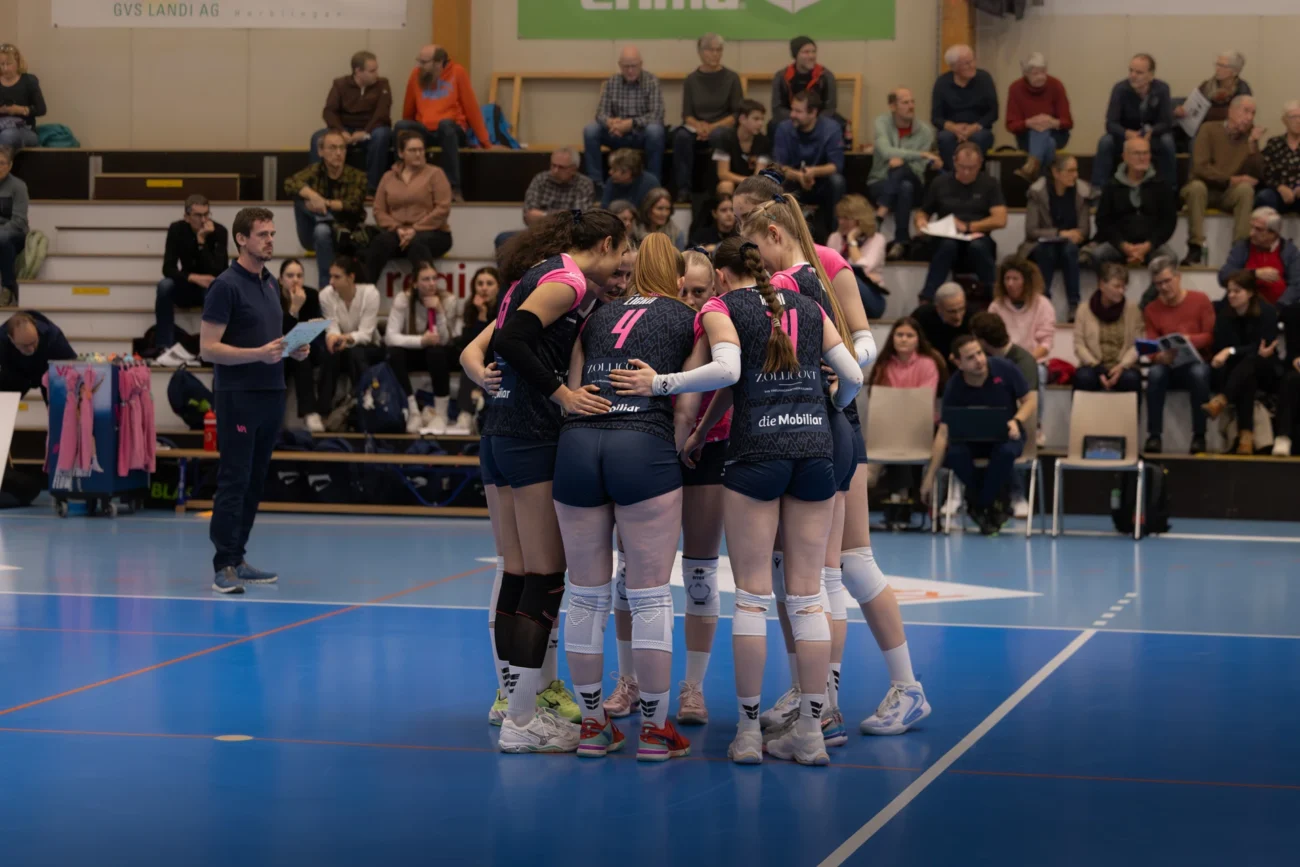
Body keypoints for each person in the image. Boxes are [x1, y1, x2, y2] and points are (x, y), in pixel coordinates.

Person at [733, 174, 928, 742]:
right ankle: (820, 694)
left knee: (828, 572)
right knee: (830, 570)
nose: (741, 241)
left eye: (746, 226)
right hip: (821, 421)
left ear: (772, 224)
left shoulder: (811, 270)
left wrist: (842, 381)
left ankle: (829, 701)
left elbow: (862, 340)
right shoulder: (802, 271)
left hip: (817, 424)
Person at [653, 236, 861, 765]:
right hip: (813, 449)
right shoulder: (809, 306)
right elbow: (855, 374)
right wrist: (831, 403)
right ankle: (811, 733)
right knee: (807, 598)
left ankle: (747, 734)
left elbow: (726, 372)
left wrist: (662, 386)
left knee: (751, 598)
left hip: (756, 452)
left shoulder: (723, 307)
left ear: (721, 275)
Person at [553, 233, 699, 761]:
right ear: (677, 277)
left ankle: (593, 726)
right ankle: (656, 731)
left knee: (584, 594)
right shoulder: (689, 317)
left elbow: (574, 392)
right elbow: (687, 407)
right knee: (650, 593)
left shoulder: (597, 314)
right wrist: (671, 451)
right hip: (642, 444)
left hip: (577, 446)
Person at [486, 209, 628, 753]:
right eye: (622, 252)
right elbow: (511, 340)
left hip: (502, 431)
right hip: (530, 434)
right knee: (545, 579)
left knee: (520, 575)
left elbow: (496, 341)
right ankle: (523, 722)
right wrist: (563, 394)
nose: (622, 263)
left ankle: (514, 707)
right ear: (607, 243)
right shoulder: (568, 281)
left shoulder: (542, 272)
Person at [199, 207, 309, 594]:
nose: (270, 240)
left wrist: (293, 349)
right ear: (241, 239)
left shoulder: (270, 283)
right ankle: (223, 564)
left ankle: (238, 557)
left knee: (255, 480)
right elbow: (208, 349)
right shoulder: (225, 286)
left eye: (272, 234)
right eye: (262, 234)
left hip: (271, 393)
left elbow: (269, 342)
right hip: (239, 396)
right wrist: (257, 354)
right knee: (235, 478)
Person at [667, 247, 734, 725]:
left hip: (711, 448)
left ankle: (693, 688)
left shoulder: (721, 325)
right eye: (683, 291)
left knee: (700, 572)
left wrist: (697, 432)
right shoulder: (661, 323)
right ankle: (630, 681)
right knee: (634, 575)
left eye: (699, 291)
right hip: (656, 448)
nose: (690, 300)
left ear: (715, 290)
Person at [921, 335, 1034, 535]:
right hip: (970, 441)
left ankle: (978, 504)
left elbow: (1030, 400)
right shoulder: (954, 386)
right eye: (970, 357)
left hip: (1006, 435)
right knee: (954, 454)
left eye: (980, 353)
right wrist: (929, 476)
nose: (979, 360)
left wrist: (1017, 420)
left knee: (1006, 452)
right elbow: (944, 432)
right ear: (958, 362)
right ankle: (989, 504)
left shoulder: (1004, 368)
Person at [395, 45, 495, 202]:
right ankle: (400, 182)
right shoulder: (416, 75)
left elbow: (471, 108)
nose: (419, 66)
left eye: (424, 62)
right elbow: (408, 110)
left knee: (445, 125)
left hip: (452, 130)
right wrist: (408, 132)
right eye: (419, 61)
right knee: (401, 126)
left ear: (439, 63)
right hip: (426, 130)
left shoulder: (457, 72)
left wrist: (486, 143)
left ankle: (453, 187)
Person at [916, 141, 1007, 301]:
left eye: (972, 168)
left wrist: (969, 227)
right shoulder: (940, 183)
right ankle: (928, 296)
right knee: (947, 246)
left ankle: (994, 296)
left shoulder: (989, 184)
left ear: (980, 164)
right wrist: (921, 222)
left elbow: (1000, 219)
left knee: (978, 247)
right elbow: (924, 212)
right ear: (954, 162)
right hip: (946, 237)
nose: (966, 172)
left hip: (977, 236)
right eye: (962, 167)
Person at [1143, 257, 1215, 454]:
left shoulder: (1200, 300)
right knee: (1155, 373)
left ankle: (1199, 435)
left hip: (1197, 362)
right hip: (1170, 365)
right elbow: (1151, 344)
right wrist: (1158, 356)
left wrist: (1189, 340)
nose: (1164, 287)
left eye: (1167, 281)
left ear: (1178, 277)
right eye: (1158, 284)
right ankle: (1154, 436)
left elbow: (1210, 336)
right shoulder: (1151, 309)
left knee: (1198, 373)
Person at [1181, 95, 1264, 266]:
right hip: (1204, 189)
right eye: (1245, 111)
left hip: (1227, 194)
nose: (1249, 117)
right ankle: (1196, 246)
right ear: (1231, 111)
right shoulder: (1209, 129)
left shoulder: (1249, 137)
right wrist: (1229, 179)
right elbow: (1200, 167)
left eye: (1253, 113)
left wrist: (1253, 145)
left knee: (1245, 190)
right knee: (1196, 188)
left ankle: (1240, 250)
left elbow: (1257, 175)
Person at [1203, 270, 1279, 455]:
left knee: (1252, 361)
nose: (1231, 295)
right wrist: (1230, 352)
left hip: (1266, 369)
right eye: (1229, 291)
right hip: (1238, 371)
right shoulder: (1224, 315)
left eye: (1237, 291)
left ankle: (1222, 399)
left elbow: (1264, 348)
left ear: (1250, 292)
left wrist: (1231, 351)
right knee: (1247, 376)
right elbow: (1220, 346)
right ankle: (1246, 439)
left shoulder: (1267, 312)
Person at [283, 128, 368, 288]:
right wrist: (312, 195)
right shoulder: (315, 171)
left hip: (346, 233)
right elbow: (289, 183)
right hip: (311, 235)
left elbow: (352, 204)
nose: (338, 153)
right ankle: (325, 219)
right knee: (300, 197)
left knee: (321, 230)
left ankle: (326, 287)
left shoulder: (357, 176)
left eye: (342, 148)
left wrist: (324, 203)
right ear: (320, 151)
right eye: (332, 148)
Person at [385, 261, 462, 434]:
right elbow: (390, 337)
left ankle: (441, 414)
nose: (432, 283)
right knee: (393, 353)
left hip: (437, 353)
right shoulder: (403, 299)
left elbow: (445, 340)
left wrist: (439, 311)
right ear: (415, 283)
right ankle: (412, 411)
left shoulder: (448, 299)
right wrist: (421, 341)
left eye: (434, 278)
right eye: (426, 279)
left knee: (437, 351)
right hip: (414, 351)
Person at [367, 130, 453, 283]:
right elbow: (378, 210)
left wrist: (415, 229)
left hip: (433, 232)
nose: (418, 154)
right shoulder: (388, 177)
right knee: (380, 242)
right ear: (401, 153)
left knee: (417, 243)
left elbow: (443, 209)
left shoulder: (435, 174)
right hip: (398, 232)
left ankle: (429, 290)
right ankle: (365, 290)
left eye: (421, 150)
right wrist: (397, 228)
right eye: (413, 150)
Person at [869, 87, 941, 260]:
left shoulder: (925, 131)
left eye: (912, 102)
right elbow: (886, 152)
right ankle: (901, 240)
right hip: (880, 181)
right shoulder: (882, 122)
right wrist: (922, 154)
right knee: (904, 187)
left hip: (915, 181)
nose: (911, 106)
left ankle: (881, 213)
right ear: (893, 106)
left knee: (903, 173)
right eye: (905, 102)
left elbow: (918, 168)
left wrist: (903, 160)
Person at [1019, 154, 1090, 319]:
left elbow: (1085, 229)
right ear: (1056, 173)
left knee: (1070, 250)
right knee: (1047, 251)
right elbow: (1031, 231)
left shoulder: (1082, 192)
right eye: (1070, 171)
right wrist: (1060, 234)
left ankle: (1074, 304)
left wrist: (1077, 235)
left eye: (1076, 170)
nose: (1075, 175)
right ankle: (1043, 302)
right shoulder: (1037, 192)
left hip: (1070, 246)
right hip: (1042, 245)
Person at [673, 33, 743, 203]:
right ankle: (683, 189)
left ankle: (717, 188)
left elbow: (736, 114)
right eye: (710, 50)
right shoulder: (691, 79)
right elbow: (687, 114)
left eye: (719, 50)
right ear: (700, 52)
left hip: (722, 126)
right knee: (681, 136)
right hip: (697, 127)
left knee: (720, 135)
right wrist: (699, 127)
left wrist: (711, 128)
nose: (715, 54)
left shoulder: (732, 78)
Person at [312, 50, 393, 193]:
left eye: (376, 69)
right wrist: (341, 131)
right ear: (358, 71)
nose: (376, 74)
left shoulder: (382, 84)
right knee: (318, 137)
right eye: (372, 71)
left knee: (382, 135)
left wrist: (365, 132)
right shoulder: (340, 84)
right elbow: (329, 111)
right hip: (345, 128)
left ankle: (372, 188)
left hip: (372, 129)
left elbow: (382, 113)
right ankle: (318, 185)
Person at [1092, 54, 1176, 191]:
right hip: (1126, 136)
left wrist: (1152, 132)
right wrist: (1127, 133)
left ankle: (1171, 189)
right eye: (1131, 71)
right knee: (1105, 142)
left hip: (1152, 136)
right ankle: (1097, 190)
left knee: (1167, 141)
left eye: (1139, 72)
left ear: (1151, 75)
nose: (1133, 75)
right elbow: (1111, 123)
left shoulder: (1162, 89)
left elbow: (1166, 122)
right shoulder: (1120, 89)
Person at [1091, 135, 1178, 268]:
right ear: (1125, 156)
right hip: (1119, 245)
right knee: (1098, 255)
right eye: (1137, 153)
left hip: (1151, 246)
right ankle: (1114, 281)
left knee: (1170, 258)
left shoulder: (1161, 185)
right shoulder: (1111, 186)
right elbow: (1103, 221)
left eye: (1145, 153)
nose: (1142, 158)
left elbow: (1168, 222)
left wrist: (1148, 245)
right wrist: (1123, 245)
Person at [156, 195, 229, 353]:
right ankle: (164, 346)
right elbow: (168, 268)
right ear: (187, 217)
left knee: (214, 290)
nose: (203, 220)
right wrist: (193, 277)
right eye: (198, 215)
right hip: (187, 284)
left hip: (209, 287)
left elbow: (219, 270)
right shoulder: (177, 229)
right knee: (164, 286)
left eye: (206, 214)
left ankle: (210, 347)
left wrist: (201, 242)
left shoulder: (219, 231)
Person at [584, 47, 666, 187]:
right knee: (590, 131)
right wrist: (610, 122)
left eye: (634, 66)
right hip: (616, 134)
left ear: (641, 64)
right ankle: (596, 184)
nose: (630, 70)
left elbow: (657, 114)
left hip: (640, 134)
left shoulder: (652, 81)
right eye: (626, 66)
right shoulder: (612, 82)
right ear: (620, 65)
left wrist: (631, 124)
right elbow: (600, 114)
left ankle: (652, 184)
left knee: (655, 131)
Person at [772, 91, 846, 240]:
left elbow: (836, 165)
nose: (792, 114)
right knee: (775, 180)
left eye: (798, 111)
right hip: (793, 180)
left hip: (821, 181)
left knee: (837, 181)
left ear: (813, 113)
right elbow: (779, 166)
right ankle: (780, 235)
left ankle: (835, 236)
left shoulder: (831, 129)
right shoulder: (784, 128)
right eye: (792, 109)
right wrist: (800, 176)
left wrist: (813, 172)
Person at [318, 256, 382, 412]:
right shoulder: (326, 295)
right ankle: (323, 410)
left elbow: (366, 334)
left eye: (337, 277)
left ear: (351, 277)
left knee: (356, 353)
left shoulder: (370, 293)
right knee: (329, 354)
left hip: (369, 347)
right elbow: (332, 326)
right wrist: (333, 338)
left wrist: (345, 338)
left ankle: (362, 405)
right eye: (331, 276)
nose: (331, 281)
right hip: (342, 346)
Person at [1071, 262, 1143, 394]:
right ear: (1102, 285)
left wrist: (1122, 366)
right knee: (1083, 377)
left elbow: (1137, 345)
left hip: (1123, 366)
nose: (1121, 291)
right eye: (1117, 286)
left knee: (1131, 378)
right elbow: (1079, 345)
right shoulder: (1084, 309)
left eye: (1123, 287)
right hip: (1093, 365)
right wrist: (1096, 367)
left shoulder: (1132, 310)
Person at [278, 258, 330, 433]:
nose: (295, 280)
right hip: (278, 350)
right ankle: (278, 415)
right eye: (290, 275)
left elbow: (316, 331)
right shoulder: (273, 298)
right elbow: (277, 332)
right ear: (281, 280)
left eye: (299, 276)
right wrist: (293, 309)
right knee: (296, 355)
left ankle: (310, 413)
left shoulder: (311, 295)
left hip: (306, 349)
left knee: (301, 354)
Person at [1006, 52, 1072, 182]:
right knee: (1047, 142)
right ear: (1025, 74)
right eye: (1035, 73)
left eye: (1043, 72)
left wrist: (1052, 122)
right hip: (1026, 138)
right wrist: (1029, 123)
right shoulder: (1015, 88)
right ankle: (1045, 181)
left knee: (1043, 127)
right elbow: (1011, 125)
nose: (1041, 77)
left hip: (1057, 134)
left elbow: (1068, 122)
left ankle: (1031, 169)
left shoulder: (1056, 85)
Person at [931, 44, 998, 171]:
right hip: (951, 130)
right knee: (945, 139)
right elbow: (936, 118)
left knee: (977, 139)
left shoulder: (984, 79)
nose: (972, 65)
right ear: (953, 67)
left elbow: (993, 113)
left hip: (979, 129)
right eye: (966, 63)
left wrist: (973, 127)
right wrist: (954, 128)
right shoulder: (942, 83)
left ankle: (973, 175)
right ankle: (954, 176)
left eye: (972, 60)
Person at [1218, 207, 1300, 307]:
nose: (1251, 233)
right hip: (1243, 309)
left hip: (1279, 308)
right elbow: (1223, 276)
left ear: (1273, 233)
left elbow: (1297, 285)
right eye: (1251, 227)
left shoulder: (1289, 251)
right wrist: (1254, 273)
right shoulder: (1242, 247)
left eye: (1258, 229)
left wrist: (1279, 307)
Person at [453, 266, 501, 436]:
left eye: (489, 283)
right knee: (469, 363)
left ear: (498, 287)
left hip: (498, 355)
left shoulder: (504, 307)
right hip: (479, 357)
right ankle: (465, 413)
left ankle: (483, 412)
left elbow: (495, 341)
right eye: (480, 283)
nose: (484, 288)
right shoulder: (470, 308)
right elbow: (469, 344)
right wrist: (481, 315)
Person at [988, 257, 1055, 374]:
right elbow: (991, 340)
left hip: (1034, 362)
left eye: (1015, 279)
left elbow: (1046, 343)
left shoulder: (1043, 304)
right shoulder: (996, 306)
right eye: (1007, 278)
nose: (1010, 283)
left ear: (1026, 281)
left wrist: (1025, 361)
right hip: (1003, 362)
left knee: (1037, 373)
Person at [770, 36, 838, 137]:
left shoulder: (826, 76)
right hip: (791, 118)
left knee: (837, 124)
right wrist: (798, 117)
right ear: (795, 55)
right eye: (806, 52)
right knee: (772, 125)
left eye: (813, 52)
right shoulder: (781, 76)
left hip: (818, 118)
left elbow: (830, 108)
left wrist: (811, 120)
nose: (811, 56)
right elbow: (777, 108)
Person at [0, 311, 75, 400]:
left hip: (48, 372)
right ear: (11, 339)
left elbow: (72, 365)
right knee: (4, 403)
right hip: (15, 373)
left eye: (34, 342)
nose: (31, 349)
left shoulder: (53, 336)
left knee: (61, 402)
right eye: (25, 346)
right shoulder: (2, 339)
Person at [826, 194, 886, 297]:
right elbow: (828, 270)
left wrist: (851, 239)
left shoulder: (877, 239)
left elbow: (863, 268)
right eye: (839, 217)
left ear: (861, 219)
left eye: (846, 218)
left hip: (871, 293)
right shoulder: (835, 237)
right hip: (839, 292)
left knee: (853, 279)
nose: (841, 222)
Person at [1176, 52, 1251, 128]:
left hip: (1226, 130)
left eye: (1222, 66)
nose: (1217, 69)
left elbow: (1239, 115)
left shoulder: (1242, 89)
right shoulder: (1208, 85)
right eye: (1217, 64)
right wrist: (1181, 109)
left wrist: (1208, 112)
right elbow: (1192, 103)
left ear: (1235, 71)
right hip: (1201, 128)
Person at [713, 99, 771, 195]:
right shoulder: (725, 138)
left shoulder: (763, 141)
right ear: (742, 119)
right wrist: (747, 181)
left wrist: (750, 183)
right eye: (756, 119)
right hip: (731, 181)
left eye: (762, 119)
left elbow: (758, 175)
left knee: (758, 189)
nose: (760, 123)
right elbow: (723, 173)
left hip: (751, 185)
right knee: (726, 185)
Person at [1257, 102, 1300, 215]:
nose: (1298, 121)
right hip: (1278, 193)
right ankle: (1269, 226)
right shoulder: (1274, 143)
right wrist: (1279, 187)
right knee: (1264, 196)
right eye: (1293, 117)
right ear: (1284, 120)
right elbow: (1264, 172)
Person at [0, 44, 45, 151]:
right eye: (2, 64)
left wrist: (20, 110)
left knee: (8, 135)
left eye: (9, 64)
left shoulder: (29, 81)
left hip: (25, 130)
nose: (5, 68)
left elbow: (41, 109)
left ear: (18, 62)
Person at [912, 282, 971, 360]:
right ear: (938, 308)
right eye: (952, 311)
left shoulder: (972, 317)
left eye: (962, 309)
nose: (958, 316)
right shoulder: (922, 316)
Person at [0, 146, 28, 305]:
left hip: (16, 233)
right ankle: (10, 288)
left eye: (2, 163)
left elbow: (19, 220)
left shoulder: (18, 186)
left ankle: (7, 288)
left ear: (10, 165)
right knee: (4, 244)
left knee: (3, 239)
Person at [1272, 303, 1300, 456]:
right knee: (1290, 379)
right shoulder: (1293, 312)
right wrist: (1296, 359)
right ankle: (1283, 437)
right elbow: (1293, 352)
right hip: (1296, 369)